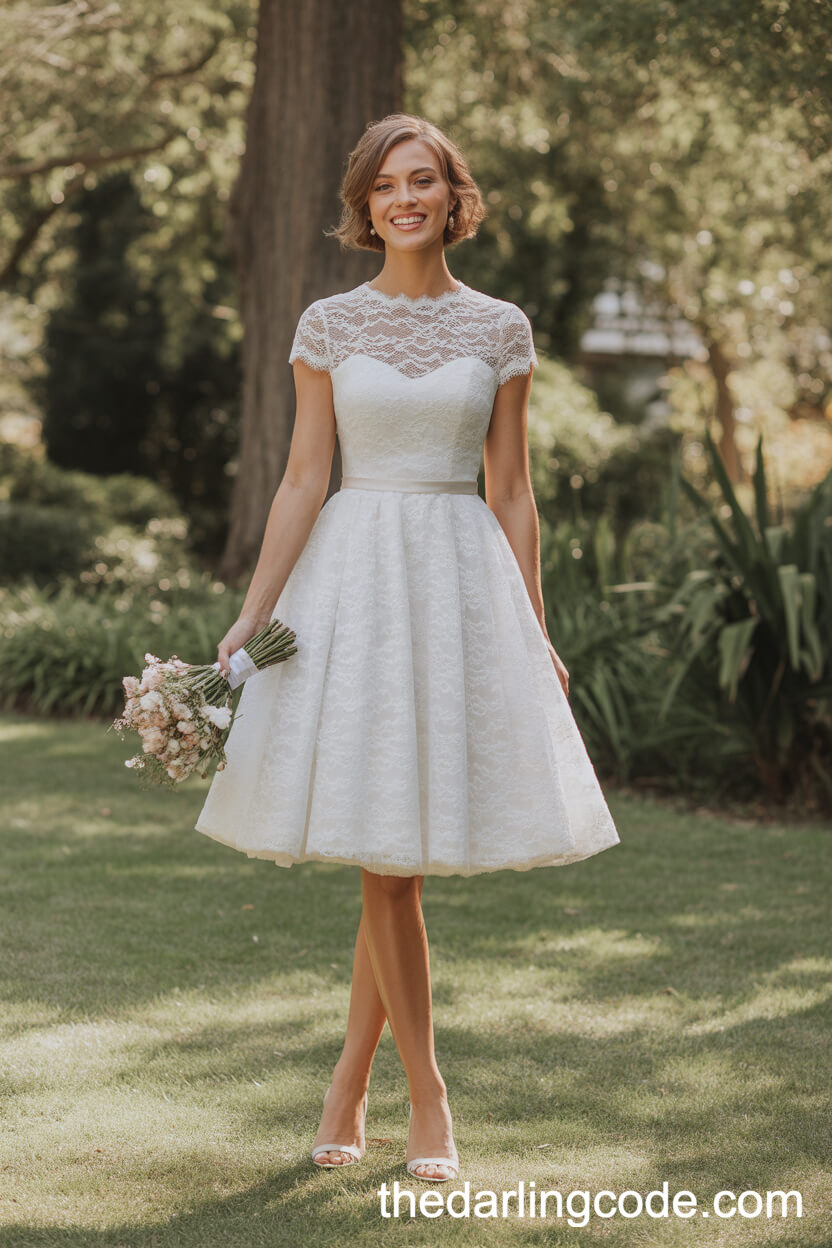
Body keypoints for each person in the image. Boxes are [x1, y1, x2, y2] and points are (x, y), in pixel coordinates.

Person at [194, 113, 620, 1183]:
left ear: (452, 196)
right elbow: (303, 478)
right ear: (365, 207)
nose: (404, 199)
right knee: (389, 867)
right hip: (355, 591)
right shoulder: (329, 325)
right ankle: (422, 1095)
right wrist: (251, 613)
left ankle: (354, 1084)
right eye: (385, 186)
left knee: (395, 866)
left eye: (421, 180)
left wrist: (535, 627)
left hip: (458, 593)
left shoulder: (500, 328)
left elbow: (511, 491)